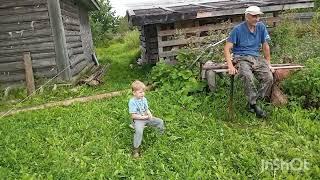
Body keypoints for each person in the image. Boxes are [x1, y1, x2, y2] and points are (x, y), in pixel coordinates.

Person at [224, 6, 274, 118]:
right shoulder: (237, 30)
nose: (257, 18)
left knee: (269, 78)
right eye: (254, 16)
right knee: (247, 76)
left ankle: (252, 103)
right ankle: (254, 105)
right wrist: (230, 66)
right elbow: (227, 48)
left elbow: (265, 46)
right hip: (241, 58)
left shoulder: (261, 27)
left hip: (256, 58)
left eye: (258, 16)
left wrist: (268, 64)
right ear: (247, 17)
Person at [128, 80, 165, 158]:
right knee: (139, 131)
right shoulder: (132, 102)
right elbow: (133, 116)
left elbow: (146, 109)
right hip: (138, 120)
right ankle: (136, 149)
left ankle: (159, 137)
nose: (143, 94)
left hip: (146, 117)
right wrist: (144, 117)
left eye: (143, 92)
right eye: (140, 92)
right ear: (134, 93)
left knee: (160, 122)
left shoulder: (144, 99)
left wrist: (149, 113)